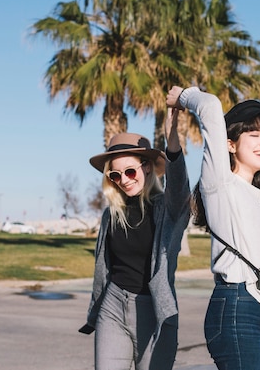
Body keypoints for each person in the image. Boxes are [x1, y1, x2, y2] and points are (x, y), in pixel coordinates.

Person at [166, 86, 260, 370]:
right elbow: (209, 106)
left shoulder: (259, 203)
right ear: (231, 144)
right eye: (254, 134)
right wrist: (182, 97)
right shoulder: (220, 185)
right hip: (235, 309)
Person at [79, 107, 191, 370]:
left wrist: (172, 142)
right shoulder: (111, 215)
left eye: (130, 171)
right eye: (115, 175)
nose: (124, 180)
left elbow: (180, 189)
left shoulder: (167, 209)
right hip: (113, 306)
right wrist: (95, 309)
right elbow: (103, 269)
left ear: (147, 167)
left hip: (154, 310)